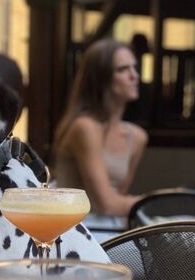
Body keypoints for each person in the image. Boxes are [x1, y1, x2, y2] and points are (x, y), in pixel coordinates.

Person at [53, 38, 148, 219]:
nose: (134, 75)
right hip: (76, 228)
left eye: (134, 67)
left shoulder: (136, 137)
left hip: (111, 228)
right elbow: (107, 204)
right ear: (100, 78)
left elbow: (118, 200)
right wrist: (158, 202)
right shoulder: (85, 127)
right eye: (122, 69)